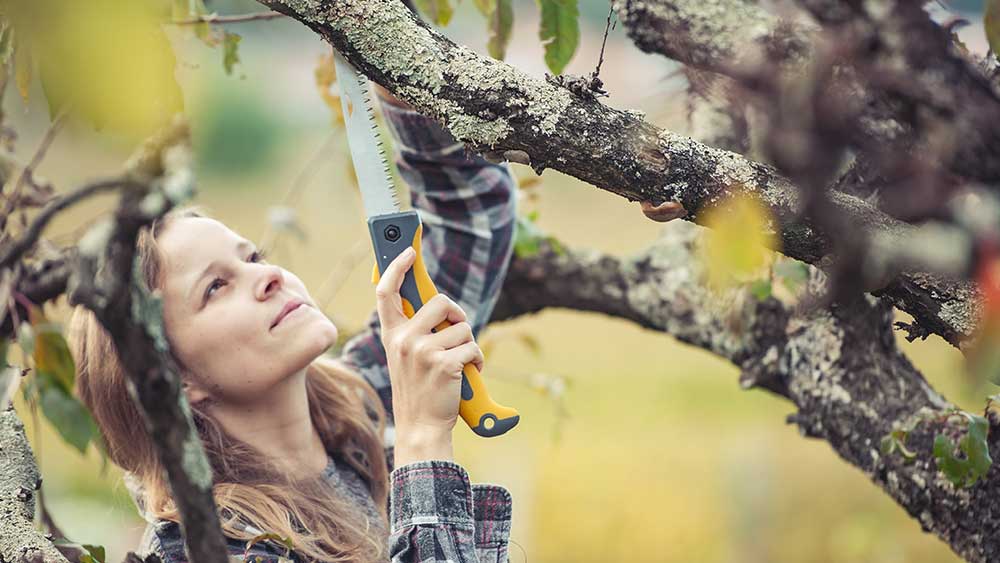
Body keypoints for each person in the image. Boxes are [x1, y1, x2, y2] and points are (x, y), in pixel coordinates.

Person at [68, 89, 518, 562]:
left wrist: (403, 84)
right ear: (172, 378)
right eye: (216, 287)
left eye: (253, 257)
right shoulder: (207, 552)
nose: (268, 276)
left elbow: (471, 223)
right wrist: (423, 438)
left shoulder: (361, 410)